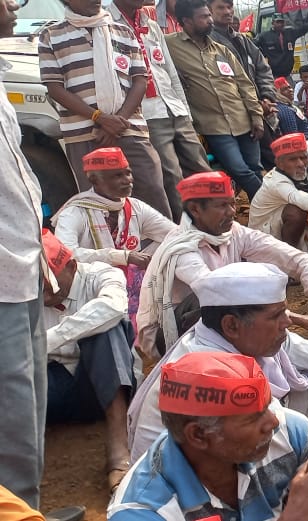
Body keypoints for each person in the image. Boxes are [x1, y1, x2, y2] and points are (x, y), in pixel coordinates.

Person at [128, 263, 308, 476]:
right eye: (276, 316)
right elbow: (271, 426)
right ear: (231, 324)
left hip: (232, 452)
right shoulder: (208, 367)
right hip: (196, 481)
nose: (288, 322)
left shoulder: (252, 337)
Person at [114, 351, 308, 521]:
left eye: (268, 407)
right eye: (254, 417)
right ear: (198, 436)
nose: (273, 422)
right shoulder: (142, 510)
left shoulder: (284, 430)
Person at [136, 171, 308, 357]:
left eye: (232, 203)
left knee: (242, 294)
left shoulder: (234, 233)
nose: (232, 211)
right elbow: (217, 293)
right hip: (170, 333)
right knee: (221, 296)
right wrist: (302, 319)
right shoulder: (181, 248)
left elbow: (298, 259)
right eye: (222, 206)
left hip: (223, 317)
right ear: (196, 209)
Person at [40, 0, 172, 220]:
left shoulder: (123, 31)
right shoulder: (51, 36)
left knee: (152, 190)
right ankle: (115, 254)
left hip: (128, 128)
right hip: (83, 133)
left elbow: (140, 80)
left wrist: (116, 122)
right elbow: (55, 87)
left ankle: (163, 251)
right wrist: (99, 118)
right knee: (99, 201)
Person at [0, 0, 49, 506]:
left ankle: (24, 506)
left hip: (24, 259)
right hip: (1, 273)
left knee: (30, 397)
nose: (14, 6)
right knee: (10, 407)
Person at [40, 232, 135, 492]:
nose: (43, 289)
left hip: (101, 384)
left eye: (49, 280)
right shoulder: (24, 292)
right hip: (49, 386)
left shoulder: (102, 275)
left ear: (71, 265)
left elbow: (113, 306)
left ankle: (119, 447)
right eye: (36, 281)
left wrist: (47, 339)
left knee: (106, 327)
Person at [110, 0, 212, 218]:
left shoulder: (151, 25)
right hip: (148, 113)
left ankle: (213, 220)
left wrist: (184, 109)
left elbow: (169, 71)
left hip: (174, 108)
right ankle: (183, 229)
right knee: (171, 175)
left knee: (200, 166)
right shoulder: (107, 25)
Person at [51, 148, 176, 323]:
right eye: (117, 176)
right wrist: (122, 257)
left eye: (128, 173)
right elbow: (66, 256)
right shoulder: (74, 212)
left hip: (133, 288)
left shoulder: (135, 206)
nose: (128, 181)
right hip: (92, 291)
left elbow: (175, 235)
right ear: (94, 179)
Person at [167, 0, 265, 200]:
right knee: (239, 170)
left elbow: (245, 85)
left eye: (209, 15)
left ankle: (266, 213)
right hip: (213, 125)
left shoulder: (221, 50)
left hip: (243, 120)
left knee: (255, 168)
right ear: (186, 21)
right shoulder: (169, 45)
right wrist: (173, 72)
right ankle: (274, 204)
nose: (210, 20)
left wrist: (256, 116)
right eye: (204, 17)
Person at [247, 133, 308, 251]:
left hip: (285, 229)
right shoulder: (277, 183)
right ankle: (290, 258)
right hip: (263, 240)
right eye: (292, 159)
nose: (300, 164)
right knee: (296, 212)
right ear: (279, 164)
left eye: (303, 157)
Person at [256, 13, 305, 78]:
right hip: (274, 75)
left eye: (282, 22)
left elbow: (303, 29)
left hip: (287, 74)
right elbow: (253, 46)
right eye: (278, 22)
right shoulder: (264, 36)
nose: (280, 24)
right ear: (273, 23)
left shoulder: (290, 33)